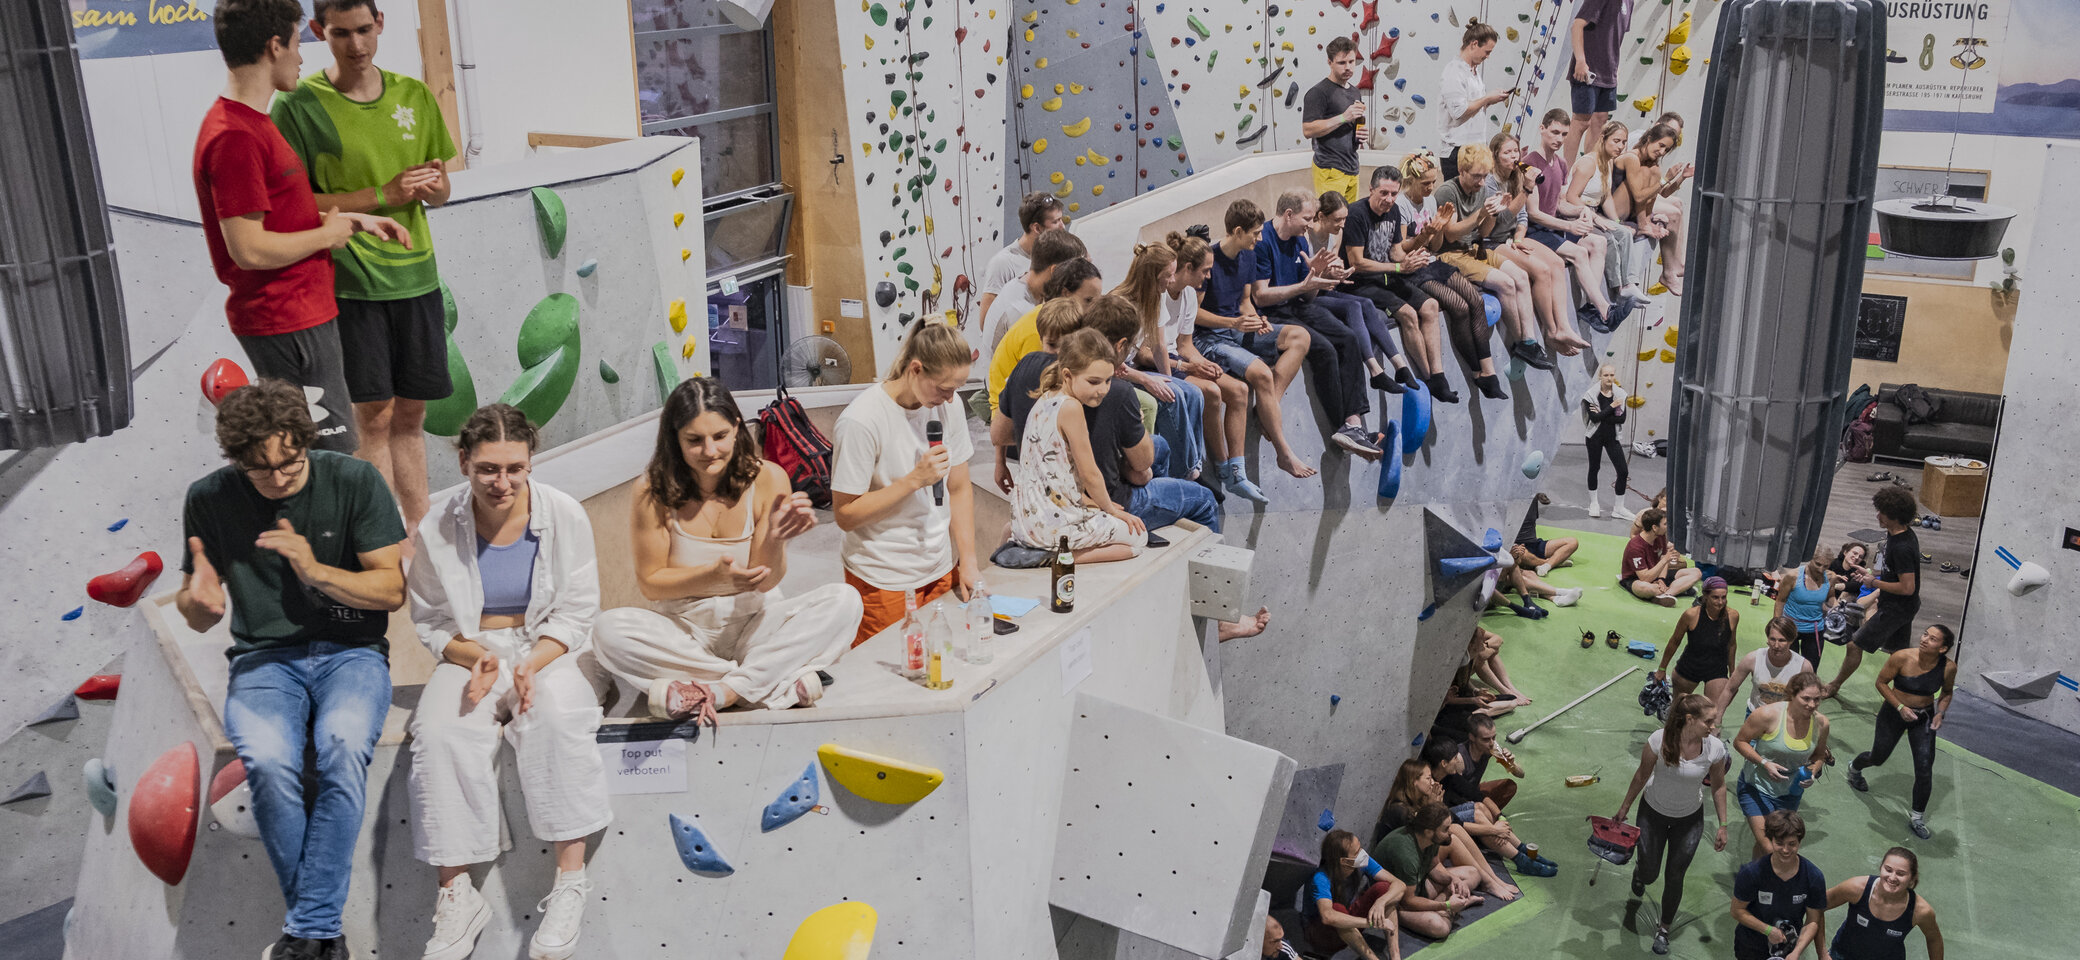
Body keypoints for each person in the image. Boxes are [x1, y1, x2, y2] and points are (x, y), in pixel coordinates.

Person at [175, 379, 407, 960]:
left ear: (305, 442)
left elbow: (391, 590)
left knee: (342, 743)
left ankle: (307, 931)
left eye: (290, 462)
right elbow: (198, 611)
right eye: (261, 470)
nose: (278, 478)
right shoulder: (208, 498)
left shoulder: (352, 480)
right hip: (262, 661)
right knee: (270, 760)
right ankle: (321, 934)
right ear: (236, 461)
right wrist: (196, 603)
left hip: (351, 653)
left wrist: (317, 570)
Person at [404, 404, 609, 960]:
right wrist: (478, 659)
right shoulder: (436, 524)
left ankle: (569, 883)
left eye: (514, 469)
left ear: (530, 462)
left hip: (547, 649)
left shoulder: (563, 514)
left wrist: (531, 663)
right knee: (441, 733)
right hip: (474, 654)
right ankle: (456, 895)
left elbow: (577, 610)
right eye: (488, 469)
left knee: (558, 719)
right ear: (465, 462)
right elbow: (429, 619)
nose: (502, 482)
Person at [193, 0, 412, 459]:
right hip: (284, 318)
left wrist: (352, 221)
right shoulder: (234, 136)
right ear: (274, 46)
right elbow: (249, 249)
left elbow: (279, 219)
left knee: (332, 453)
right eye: (297, 43)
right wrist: (326, 237)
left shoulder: (255, 124)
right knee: (326, 459)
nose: (301, 56)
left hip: (305, 312)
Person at [272, 0, 456, 531]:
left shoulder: (414, 94)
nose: (356, 45)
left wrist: (437, 189)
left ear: (380, 24)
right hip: (351, 285)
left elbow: (439, 191)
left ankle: (418, 532)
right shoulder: (299, 105)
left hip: (417, 277)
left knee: (412, 416)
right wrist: (384, 193)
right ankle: (383, 534)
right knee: (371, 420)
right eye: (339, 34)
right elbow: (295, 204)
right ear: (316, 32)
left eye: (363, 30)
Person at [594, 379, 862, 720]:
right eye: (694, 440)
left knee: (845, 602)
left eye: (720, 436)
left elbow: (765, 583)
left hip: (756, 621)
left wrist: (776, 540)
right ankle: (770, 683)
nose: (710, 451)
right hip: (687, 629)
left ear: (737, 428)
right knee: (608, 631)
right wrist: (710, 577)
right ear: (674, 439)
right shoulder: (651, 490)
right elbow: (651, 583)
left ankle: (724, 691)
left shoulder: (768, 477)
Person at [832, 319, 980, 644]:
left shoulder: (947, 406)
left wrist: (967, 560)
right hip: (882, 577)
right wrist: (914, 480)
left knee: (942, 663)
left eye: (957, 388)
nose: (951, 398)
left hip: (938, 567)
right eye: (943, 388)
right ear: (915, 369)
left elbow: (959, 486)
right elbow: (846, 515)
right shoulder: (862, 421)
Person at [1192, 199, 1319, 479]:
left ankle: (1268, 404)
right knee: (1261, 373)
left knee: (1300, 336)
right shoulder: (1210, 260)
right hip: (1211, 336)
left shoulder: (1249, 256)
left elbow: (1245, 301)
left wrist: (1255, 319)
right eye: (1255, 233)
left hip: (1237, 328)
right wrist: (1234, 322)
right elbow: (1194, 315)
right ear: (1238, 231)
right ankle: (1284, 453)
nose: (1260, 238)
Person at [1253, 190, 1384, 457]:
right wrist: (1303, 285)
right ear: (1288, 214)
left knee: (1348, 338)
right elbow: (1261, 297)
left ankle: (1354, 423)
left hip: (1298, 305)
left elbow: (1308, 293)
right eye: (1307, 218)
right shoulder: (1263, 241)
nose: (1310, 224)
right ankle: (1340, 425)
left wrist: (1317, 275)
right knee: (1323, 348)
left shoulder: (1301, 242)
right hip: (1273, 313)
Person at [1434, 144, 1581, 371]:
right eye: (1476, 176)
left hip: (1476, 247)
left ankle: (1530, 342)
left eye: (1484, 177)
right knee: (1506, 283)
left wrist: (1493, 214)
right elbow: (1451, 234)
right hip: (1451, 253)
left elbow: (1484, 232)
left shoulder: (1483, 189)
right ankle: (1520, 340)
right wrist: (1481, 214)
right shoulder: (1447, 191)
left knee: (1521, 276)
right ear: (1461, 171)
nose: (1481, 182)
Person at [1613, 693, 1731, 955]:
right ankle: (1641, 871)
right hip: (1652, 812)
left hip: (1689, 820)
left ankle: (1664, 929)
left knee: (1675, 875)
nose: (1713, 727)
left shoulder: (1714, 748)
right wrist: (1624, 808)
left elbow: (1719, 786)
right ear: (1690, 719)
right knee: (1650, 873)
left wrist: (1723, 824)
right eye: (1708, 722)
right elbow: (1642, 775)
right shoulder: (1659, 740)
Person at [1161, 231, 1267, 504]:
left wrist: (1202, 362)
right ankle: (1219, 467)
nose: (1208, 277)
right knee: (1210, 391)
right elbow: (1151, 353)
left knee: (1239, 390)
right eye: (1206, 271)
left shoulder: (1186, 294)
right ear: (1187, 268)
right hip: (1163, 363)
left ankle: (1237, 471)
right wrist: (1191, 365)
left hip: (1179, 356)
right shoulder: (1161, 295)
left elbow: (1185, 344)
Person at [1339, 166, 1448, 397]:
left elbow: (1396, 251)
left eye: (1393, 194)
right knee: (1408, 313)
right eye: (1384, 193)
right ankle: (1428, 378)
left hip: (1386, 275)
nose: (1389, 199)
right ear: (1371, 190)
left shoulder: (1394, 211)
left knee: (1431, 305)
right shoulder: (1356, 214)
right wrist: (1399, 266)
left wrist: (1414, 255)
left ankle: (1439, 376)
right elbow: (1356, 263)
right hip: (1360, 282)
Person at [1846, 625, 1957, 840]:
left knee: (1924, 767)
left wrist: (1940, 713)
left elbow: (1947, 692)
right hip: (1894, 712)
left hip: (1922, 718)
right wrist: (1900, 707)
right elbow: (1881, 683)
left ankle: (1917, 817)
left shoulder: (1949, 668)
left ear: (1942, 649)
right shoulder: (1901, 657)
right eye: (1925, 634)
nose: (1925, 639)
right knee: (1878, 757)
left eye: (1933, 639)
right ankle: (1855, 768)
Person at [1111, 242, 1208, 486]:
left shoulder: (1156, 297)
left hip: (1130, 368)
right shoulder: (1121, 304)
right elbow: (1112, 362)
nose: (1172, 279)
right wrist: (1148, 380)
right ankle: (1182, 473)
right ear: (1151, 277)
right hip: (1121, 372)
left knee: (1193, 393)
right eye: (1168, 275)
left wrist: (1168, 378)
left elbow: (1158, 345)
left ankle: (1194, 466)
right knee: (1170, 397)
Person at [1488, 132, 1598, 345]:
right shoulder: (1491, 182)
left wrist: (1519, 238)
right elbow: (1502, 219)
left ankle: (1563, 327)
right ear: (1495, 155)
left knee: (1557, 262)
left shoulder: (1518, 176)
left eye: (1515, 151)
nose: (1513, 156)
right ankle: (1550, 329)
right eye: (1507, 152)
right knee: (1542, 269)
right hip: (1496, 240)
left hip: (1516, 236)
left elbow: (1522, 216)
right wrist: (1528, 188)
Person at [1309, 191, 1419, 395]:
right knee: (1353, 305)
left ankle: (1400, 366)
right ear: (1321, 216)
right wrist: (1327, 273)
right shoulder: (1306, 235)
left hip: (1324, 289)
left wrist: (1337, 272)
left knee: (1367, 304)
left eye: (1344, 219)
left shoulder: (1337, 234)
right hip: (1309, 295)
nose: (1342, 224)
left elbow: (1331, 269)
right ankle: (1375, 371)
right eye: (1337, 220)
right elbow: (1305, 276)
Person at [1520, 111, 1621, 328]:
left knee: (1599, 242)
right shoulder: (1530, 164)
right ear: (1542, 129)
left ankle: (1591, 307)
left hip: (1554, 226)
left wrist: (1581, 211)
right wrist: (1570, 224)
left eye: (1564, 134)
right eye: (1555, 132)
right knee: (1579, 252)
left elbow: (1558, 203)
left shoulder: (1561, 163)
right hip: (1535, 230)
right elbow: (1533, 213)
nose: (1559, 139)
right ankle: (1604, 309)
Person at [1370, 759, 1523, 900]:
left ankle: (1493, 879)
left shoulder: (1419, 799)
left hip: (1423, 857)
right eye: (1428, 778)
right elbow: (1423, 837)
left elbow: (1444, 826)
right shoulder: (1399, 810)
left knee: (1456, 830)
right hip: (1404, 868)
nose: (1433, 782)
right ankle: (1488, 882)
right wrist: (1433, 807)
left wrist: (1435, 806)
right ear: (1414, 782)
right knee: (1454, 834)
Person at [1825, 487, 1922, 698]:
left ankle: (1834, 686)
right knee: (1899, 653)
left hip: (1897, 608)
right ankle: (1905, 696)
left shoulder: (1902, 547)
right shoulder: (1896, 533)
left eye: (1882, 512)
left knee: (1854, 644)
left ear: (1894, 516)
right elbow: (1894, 573)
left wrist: (1875, 583)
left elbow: (1908, 587)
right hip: (1902, 606)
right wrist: (1870, 574)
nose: (1878, 515)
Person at [1422, 737, 1556, 877]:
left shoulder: (1449, 775)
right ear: (1443, 763)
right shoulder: (1431, 787)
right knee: (1478, 815)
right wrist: (1494, 830)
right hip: (1442, 826)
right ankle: (1520, 859)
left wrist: (1501, 817)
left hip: (1452, 814)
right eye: (1455, 758)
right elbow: (1454, 822)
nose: (1458, 761)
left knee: (1480, 806)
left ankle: (1521, 849)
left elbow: (1477, 795)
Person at [1732, 673, 1830, 860]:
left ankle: (1756, 876)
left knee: (1765, 845)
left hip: (1789, 793)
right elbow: (1740, 742)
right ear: (1792, 695)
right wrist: (1764, 762)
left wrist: (1813, 772)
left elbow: (1819, 755)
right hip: (1755, 786)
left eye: (1817, 700)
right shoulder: (1767, 715)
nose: (1812, 705)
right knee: (1770, 847)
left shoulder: (1821, 723)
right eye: (1806, 699)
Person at [987, 253, 1103, 411]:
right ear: (1066, 294)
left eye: (1098, 301)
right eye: (1088, 301)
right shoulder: (1041, 330)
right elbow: (1038, 386)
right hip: (1010, 408)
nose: (1094, 310)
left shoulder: (1057, 320)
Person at [1565, 120, 1652, 307]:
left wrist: (1617, 221)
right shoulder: (1589, 163)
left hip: (1594, 211)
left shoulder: (1608, 162)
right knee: (1610, 239)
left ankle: (1629, 284)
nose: (1621, 146)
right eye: (1616, 141)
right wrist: (1595, 218)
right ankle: (1619, 289)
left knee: (1624, 233)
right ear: (1603, 139)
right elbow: (1571, 196)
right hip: (1578, 213)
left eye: (1623, 142)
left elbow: (1606, 198)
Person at [1371, 803, 1487, 940]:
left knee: (1473, 873)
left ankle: (1449, 905)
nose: (1450, 832)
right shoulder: (1406, 855)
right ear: (1428, 832)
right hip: (1398, 902)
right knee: (1440, 927)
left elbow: (1434, 866)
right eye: (1446, 829)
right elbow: (1409, 901)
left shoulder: (1431, 839)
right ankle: (1453, 905)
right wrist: (1447, 905)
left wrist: (1452, 879)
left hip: (1418, 884)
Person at [982, 229, 1090, 371]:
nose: (1077, 281)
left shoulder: (1020, 284)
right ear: (1055, 270)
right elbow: (1039, 375)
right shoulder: (1024, 313)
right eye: (1075, 274)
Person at [1730, 811, 1827, 960]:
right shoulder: (1752, 873)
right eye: (1779, 843)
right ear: (1771, 840)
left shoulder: (1813, 877)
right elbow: (1737, 911)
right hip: (1750, 946)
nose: (1786, 850)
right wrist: (1768, 930)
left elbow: (1813, 920)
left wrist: (1796, 952)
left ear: (1799, 842)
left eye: (1792, 844)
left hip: (1787, 949)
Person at [1609, 123, 1691, 296]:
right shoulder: (1631, 158)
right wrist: (1664, 179)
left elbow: (1662, 192)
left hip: (1630, 211)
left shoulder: (1651, 164)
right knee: (1651, 173)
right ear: (1649, 139)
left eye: (1666, 150)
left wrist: (1679, 179)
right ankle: (1644, 223)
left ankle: (1645, 222)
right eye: (1661, 146)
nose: (1662, 152)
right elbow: (1639, 196)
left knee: (1653, 171)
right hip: (1616, 212)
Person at [1824, 848, 1945, 960]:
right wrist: (1822, 952)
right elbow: (1817, 905)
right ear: (1880, 868)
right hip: (1842, 955)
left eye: (1901, 874)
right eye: (1888, 869)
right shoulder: (1856, 888)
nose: (1892, 877)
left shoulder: (1921, 911)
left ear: (1912, 878)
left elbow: (1934, 939)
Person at [1303, 829, 1405, 960]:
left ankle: (1395, 955)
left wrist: (1381, 902)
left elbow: (1399, 885)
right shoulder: (1320, 878)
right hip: (1321, 932)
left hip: (1348, 919)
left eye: (1360, 847)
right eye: (1357, 852)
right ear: (1344, 861)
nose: (1362, 853)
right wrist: (1372, 924)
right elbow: (1328, 916)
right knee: (1337, 910)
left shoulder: (1362, 861)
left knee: (1385, 889)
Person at [977, 192, 1066, 323]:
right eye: (1055, 221)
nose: (1062, 226)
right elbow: (986, 322)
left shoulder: (1054, 257)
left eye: (1061, 219)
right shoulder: (1003, 263)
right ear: (1037, 228)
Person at [1437, 21, 1510, 181]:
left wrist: (1491, 100)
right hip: (1458, 150)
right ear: (1474, 44)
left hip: (1475, 147)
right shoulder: (1454, 71)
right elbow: (1458, 111)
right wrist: (1486, 98)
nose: (1487, 56)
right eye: (1486, 51)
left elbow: (1473, 106)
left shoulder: (1473, 72)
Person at [1302, 37, 1369, 201]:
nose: (1348, 67)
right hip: (1329, 168)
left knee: (1348, 220)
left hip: (1352, 166)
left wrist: (1359, 135)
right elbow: (1308, 130)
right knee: (1331, 222)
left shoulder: (1355, 92)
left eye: (1352, 61)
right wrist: (1343, 117)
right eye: (1342, 63)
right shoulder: (1318, 93)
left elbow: (1348, 127)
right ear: (1330, 62)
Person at [1565, 0, 1633, 160]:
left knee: (1600, 121)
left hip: (1609, 72)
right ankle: (1565, 174)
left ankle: (1587, 169)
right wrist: (1581, 61)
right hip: (1589, 70)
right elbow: (1577, 25)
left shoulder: (1629, 2)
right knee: (1581, 122)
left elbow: (1614, 35)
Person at [1655, 577, 1740, 702]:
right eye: (1715, 597)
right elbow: (1674, 641)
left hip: (1717, 669)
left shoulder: (1733, 616)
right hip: (1690, 667)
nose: (1720, 602)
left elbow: (1731, 644)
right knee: (1678, 711)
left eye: (1724, 597)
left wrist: (1732, 672)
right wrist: (1662, 669)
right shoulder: (1691, 615)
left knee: (1712, 712)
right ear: (1705, 596)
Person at [1721, 616, 1814, 721]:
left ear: (1791, 641)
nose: (1776, 645)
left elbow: (1809, 699)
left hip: (1785, 719)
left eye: (1782, 640)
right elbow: (1730, 688)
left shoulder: (1803, 666)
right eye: (1772, 639)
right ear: (1767, 639)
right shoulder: (1752, 659)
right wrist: (1717, 719)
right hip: (1755, 715)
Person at [1580, 364, 1636, 520]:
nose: (1609, 378)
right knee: (1594, 467)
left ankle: (1619, 508)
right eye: (1606, 375)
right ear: (1600, 376)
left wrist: (1603, 413)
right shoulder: (1591, 395)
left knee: (1623, 471)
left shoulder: (1620, 394)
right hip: (1594, 437)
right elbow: (1594, 418)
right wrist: (1611, 406)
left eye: (1612, 375)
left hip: (1612, 437)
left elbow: (1622, 419)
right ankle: (1594, 503)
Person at [1622, 508, 1703, 605]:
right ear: (1654, 528)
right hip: (1637, 579)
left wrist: (1661, 579)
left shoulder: (1660, 537)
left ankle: (1666, 594)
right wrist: (1665, 560)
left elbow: (1663, 560)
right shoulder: (1635, 546)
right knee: (1645, 587)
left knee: (1696, 572)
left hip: (1657, 573)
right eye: (1665, 524)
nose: (1667, 526)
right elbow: (1644, 578)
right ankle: (1678, 589)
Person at [1773, 548, 1836, 671]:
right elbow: (1780, 601)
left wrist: (1837, 609)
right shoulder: (1792, 576)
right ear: (1810, 559)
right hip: (1791, 627)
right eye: (1818, 564)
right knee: (1788, 668)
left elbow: (1830, 597)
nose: (1821, 569)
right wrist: (1776, 627)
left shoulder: (1830, 577)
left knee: (1810, 670)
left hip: (1815, 629)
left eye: (1825, 566)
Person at [1445, 715, 1523, 812]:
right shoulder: (1459, 759)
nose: (1491, 743)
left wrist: (1512, 764)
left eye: (1493, 737)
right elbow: (1456, 795)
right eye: (1485, 739)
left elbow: (1521, 774)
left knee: (1509, 787)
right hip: (1458, 801)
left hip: (1475, 792)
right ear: (1472, 737)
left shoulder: (1492, 747)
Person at [1512, 493, 1579, 576]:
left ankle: (1545, 566)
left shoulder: (1532, 497)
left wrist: (1538, 495)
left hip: (1535, 544)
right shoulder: (1507, 502)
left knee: (1572, 542)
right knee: (1518, 552)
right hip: (1519, 546)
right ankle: (1550, 562)